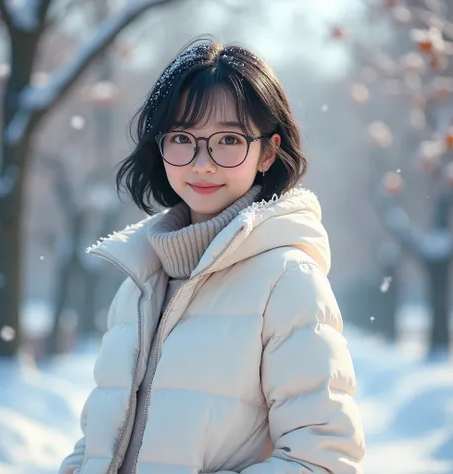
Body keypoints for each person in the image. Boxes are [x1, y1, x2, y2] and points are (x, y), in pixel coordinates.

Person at [59, 38, 365, 474]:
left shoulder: (287, 280)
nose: (202, 163)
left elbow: (323, 458)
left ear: (268, 151)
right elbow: (96, 443)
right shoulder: (139, 282)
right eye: (183, 138)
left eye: (227, 140)